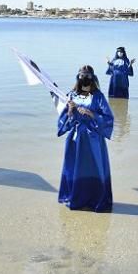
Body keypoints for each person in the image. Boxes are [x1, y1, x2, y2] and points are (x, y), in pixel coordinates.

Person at [57, 65, 114, 212]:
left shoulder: (98, 96)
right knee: (75, 167)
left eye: (87, 76)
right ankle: (75, 197)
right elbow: (65, 119)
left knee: (94, 168)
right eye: (82, 76)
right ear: (78, 77)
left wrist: (91, 114)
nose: (84, 78)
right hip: (76, 139)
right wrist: (70, 110)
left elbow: (108, 118)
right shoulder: (71, 95)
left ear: (92, 78)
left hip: (93, 139)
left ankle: (96, 199)